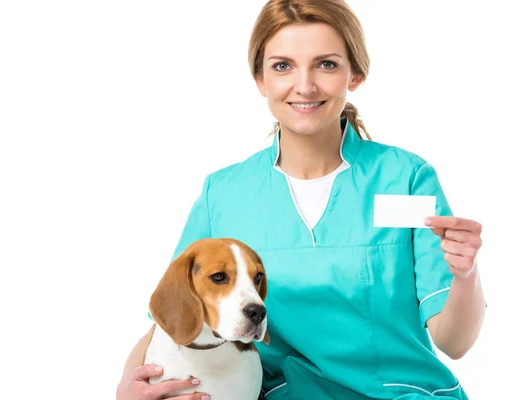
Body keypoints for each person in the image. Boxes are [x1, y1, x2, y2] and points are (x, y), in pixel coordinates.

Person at [116, 0, 486, 399]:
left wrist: (465, 275)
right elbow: (172, 317)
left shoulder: (406, 179)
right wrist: (126, 387)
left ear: (355, 74)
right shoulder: (222, 194)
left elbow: (455, 343)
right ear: (260, 79)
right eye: (282, 66)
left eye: (326, 64)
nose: (305, 85)